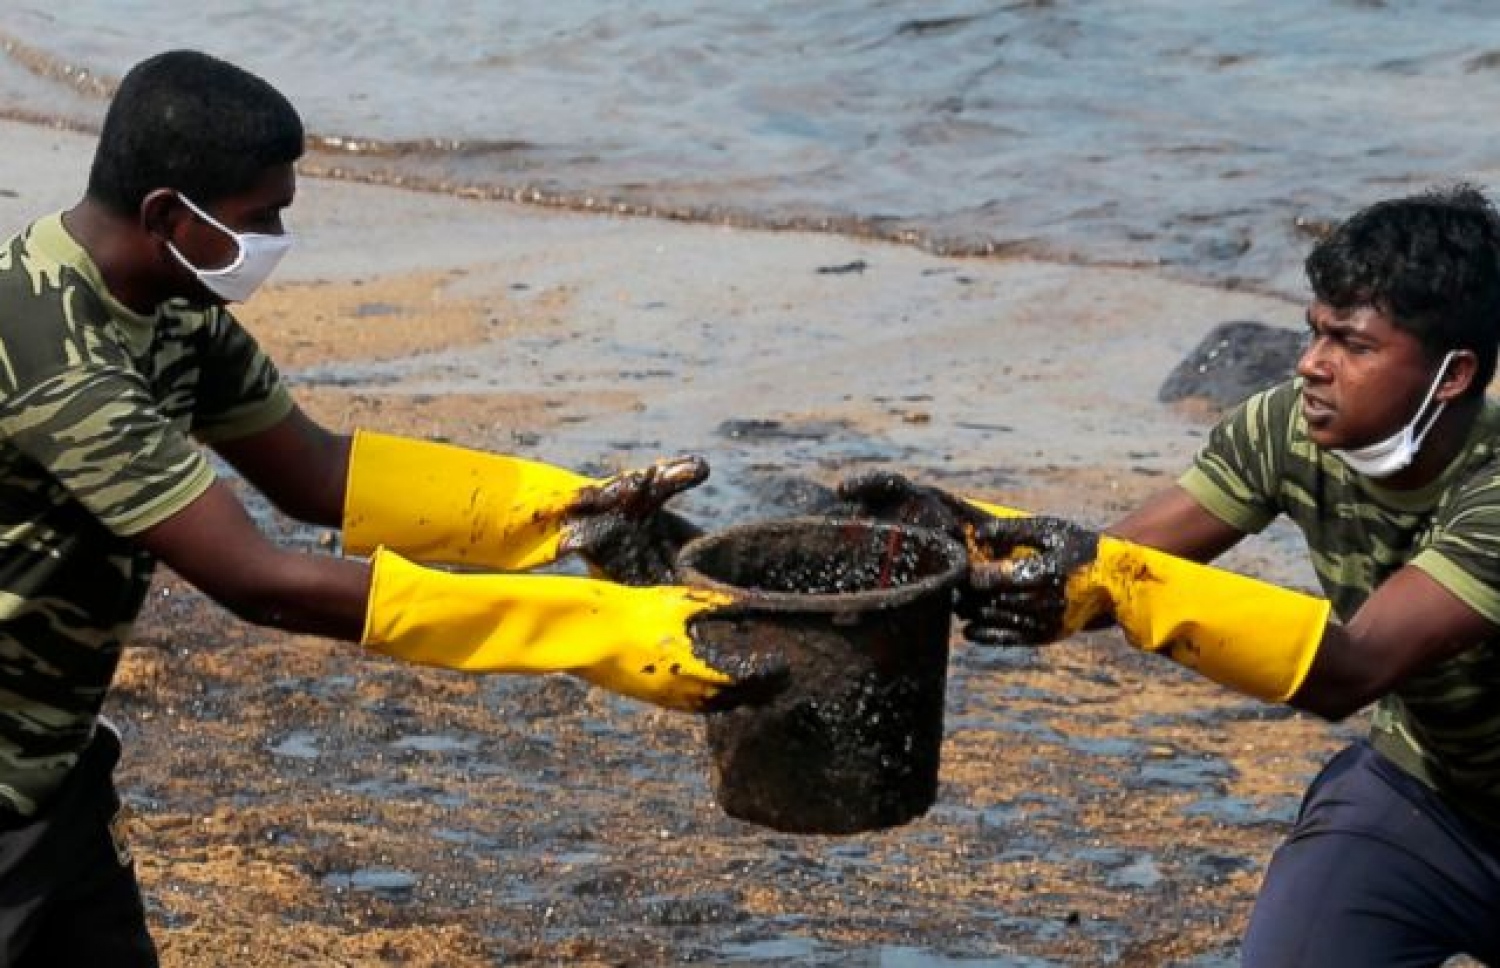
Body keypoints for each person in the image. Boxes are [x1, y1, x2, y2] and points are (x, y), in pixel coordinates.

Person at [0, 49, 767, 966]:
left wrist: (557, 511)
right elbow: (259, 583)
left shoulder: (170, 306)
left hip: (56, 773)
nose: (278, 236)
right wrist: (593, 634)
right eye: (261, 218)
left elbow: (317, 472)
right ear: (169, 213)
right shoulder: (52, 349)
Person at [840, 185, 1500, 966]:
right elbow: (1112, 565)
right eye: (1313, 331)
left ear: (1452, 375)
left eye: (1352, 346)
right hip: (1428, 802)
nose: (1311, 365)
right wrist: (957, 538)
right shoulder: (1285, 427)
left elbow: (1351, 671)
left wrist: (1118, 583)